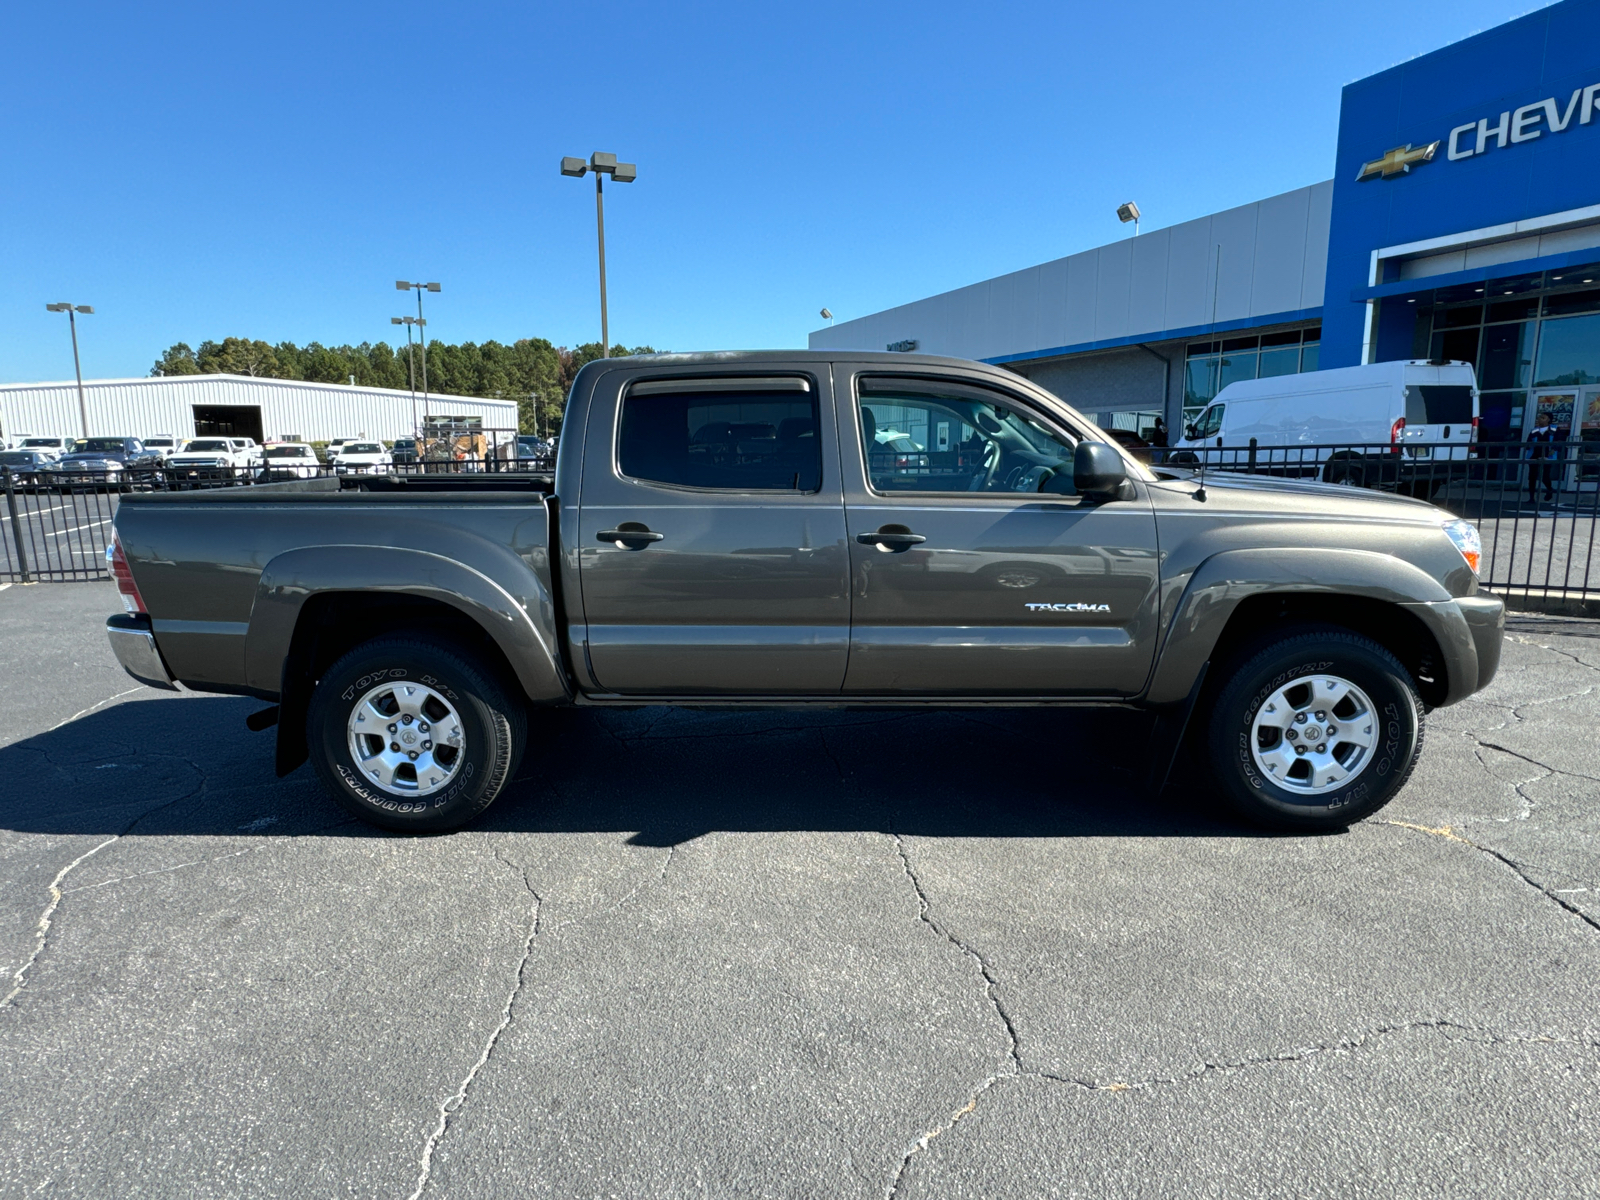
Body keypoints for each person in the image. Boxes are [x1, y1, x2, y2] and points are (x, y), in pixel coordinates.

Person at [1525, 410, 1562, 504]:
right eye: (1539, 417)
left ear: (1548, 420)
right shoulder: (1534, 430)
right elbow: (1528, 442)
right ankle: (1531, 498)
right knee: (1532, 477)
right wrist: (1529, 446)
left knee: (1545, 476)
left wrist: (1554, 449)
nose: (1540, 419)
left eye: (1543, 418)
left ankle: (1550, 489)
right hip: (1534, 455)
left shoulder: (1554, 429)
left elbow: (1559, 441)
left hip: (1547, 455)